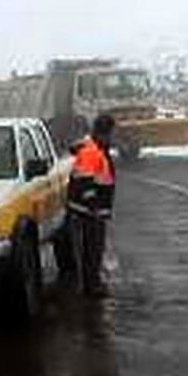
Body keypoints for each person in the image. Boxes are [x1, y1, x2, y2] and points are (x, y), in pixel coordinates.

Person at [68, 114, 116, 295]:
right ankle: (91, 286)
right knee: (92, 251)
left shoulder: (97, 148)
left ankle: (92, 282)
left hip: (92, 211)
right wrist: (94, 206)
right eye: (111, 133)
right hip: (88, 212)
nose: (113, 137)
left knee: (94, 250)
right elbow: (85, 183)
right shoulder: (91, 151)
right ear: (103, 132)